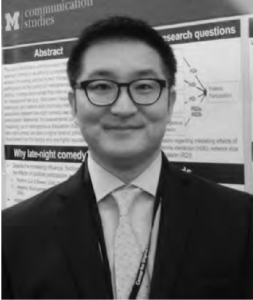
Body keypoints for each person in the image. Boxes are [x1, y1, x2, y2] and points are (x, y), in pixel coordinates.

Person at [2, 16, 253, 299]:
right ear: (73, 105)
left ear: (170, 103)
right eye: (101, 87)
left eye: (144, 86)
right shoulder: (13, 234)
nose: (123, 108)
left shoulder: (240, 220)